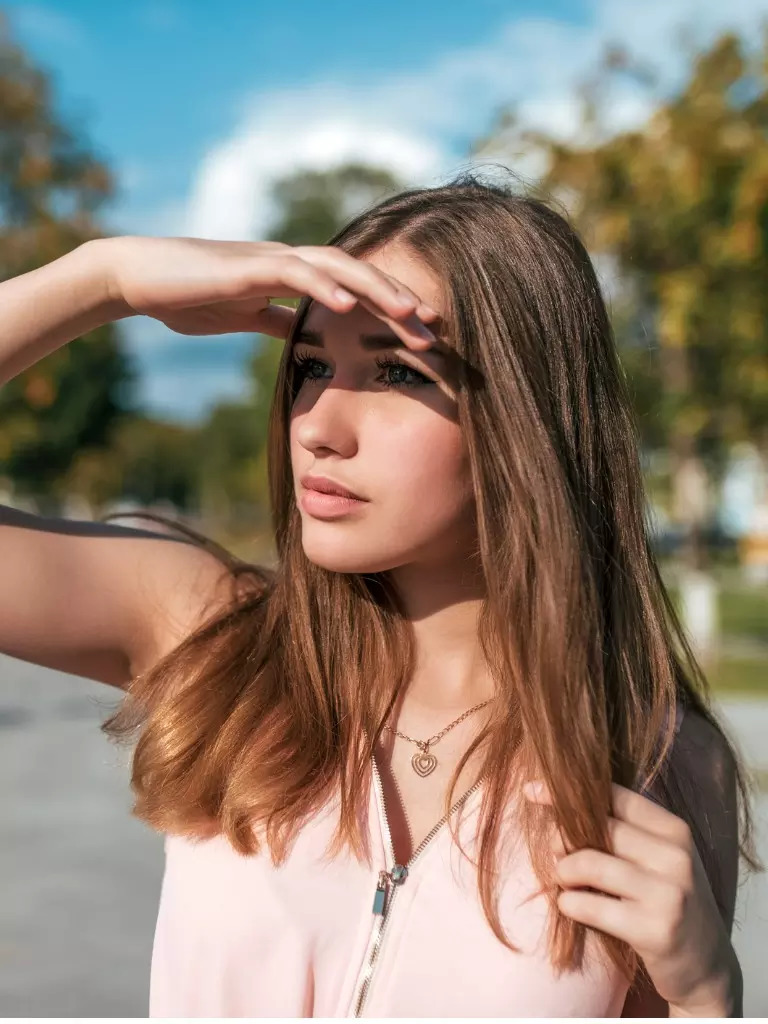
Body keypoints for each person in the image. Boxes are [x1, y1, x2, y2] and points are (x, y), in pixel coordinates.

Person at [0, 172, 761, 1018]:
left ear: (525, 418)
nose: (319, 423)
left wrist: (708, 997)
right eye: (314, 365)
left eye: (396, 374)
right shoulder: (212, 633)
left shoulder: (664, 757)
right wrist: (102, 281)